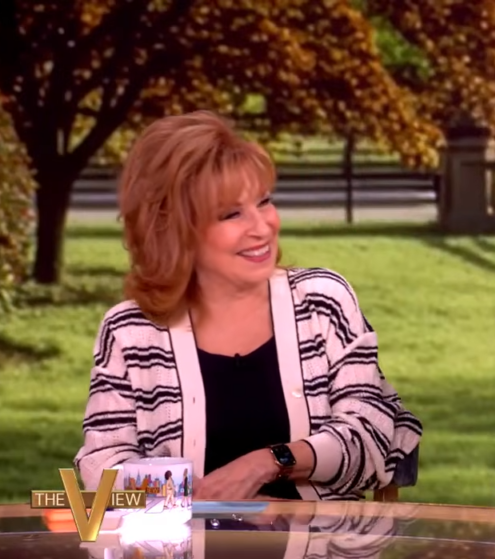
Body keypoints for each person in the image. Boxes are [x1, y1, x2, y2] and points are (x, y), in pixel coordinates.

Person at [73, 111, 423, 501]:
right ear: (175, 231)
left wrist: (267, 462)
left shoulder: (323, 301)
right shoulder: (130, 330)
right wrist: (205, 499)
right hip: (184, 558)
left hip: (321, 555)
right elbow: (101, 466)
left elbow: (369, 437)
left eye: (264, 202)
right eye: (232, 214)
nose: (262, 226)